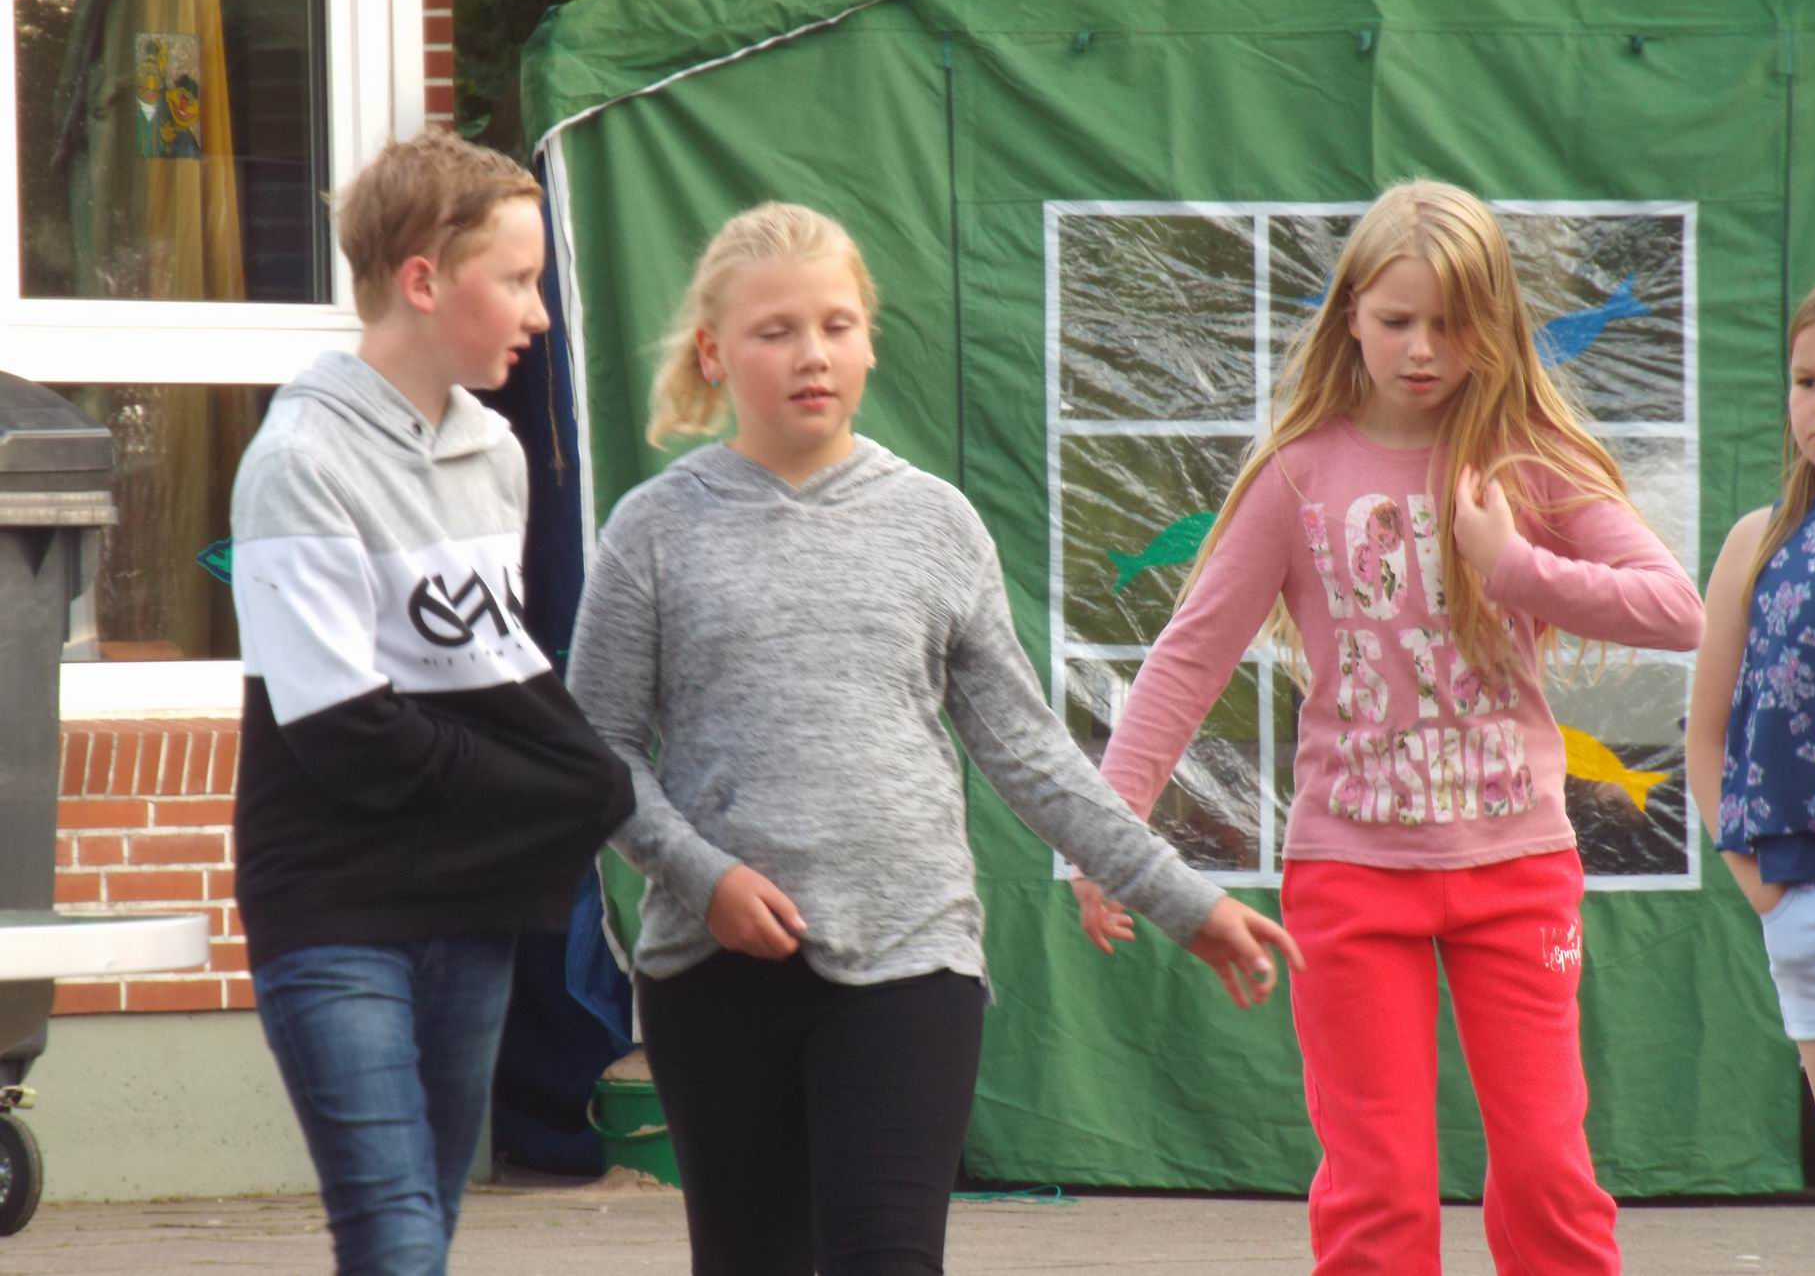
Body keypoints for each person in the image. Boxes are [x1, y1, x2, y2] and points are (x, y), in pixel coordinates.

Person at [566, 201, 1303, 1276]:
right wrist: (698, 873)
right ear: (713, 353)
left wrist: (1182, 900)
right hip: (714, 971)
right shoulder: (654, 526)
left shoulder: (937, 521)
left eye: (836, 324)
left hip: (914, 963)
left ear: (869, 340)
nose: (812, 354)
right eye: (775, 330)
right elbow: (595, 748)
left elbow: (1029, 751)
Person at [1083, 179, 1703, 1275]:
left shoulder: (1524, 460)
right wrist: (1108, 834)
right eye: (1396, 319)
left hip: (1516, 868)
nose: (1422, 349)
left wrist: (1512, 565)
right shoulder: (1296, 475)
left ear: (1493, 325)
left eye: (1451, 323)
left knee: (1548, 1168)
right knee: (1375, 1186)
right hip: (1350, 875)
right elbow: (1189, 656)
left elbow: (1676, 609)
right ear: (1350, 318)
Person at [230, 128, 634, 1274]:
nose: (538, 313)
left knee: (427, 1223)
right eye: (517, 279)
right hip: (335, 900)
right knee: (395, 1229)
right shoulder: (298, 459)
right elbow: (344, 732)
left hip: (467, 897)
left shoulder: (496, 451)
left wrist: (583, 783)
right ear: (422, 279)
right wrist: (556, 791)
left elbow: (491, 681)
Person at [1688, 268, 1815, 1207]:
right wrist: (1762, 888)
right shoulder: (1759, 543)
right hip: (1809, 909)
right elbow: (1705, 736)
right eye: (1806, 381)